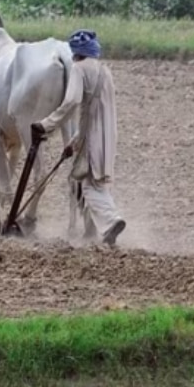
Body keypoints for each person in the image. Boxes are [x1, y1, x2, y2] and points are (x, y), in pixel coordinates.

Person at [30, 29, 126, 246]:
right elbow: (93, 112)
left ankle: (112, 220)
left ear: (77, 53)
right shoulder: (105, 72)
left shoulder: (79, 69)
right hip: (108, 137)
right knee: (99, 183)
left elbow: (72, 101)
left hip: (91, 138)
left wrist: (46, 124)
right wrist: (73, 142)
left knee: (86, 185)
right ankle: (98, 230)